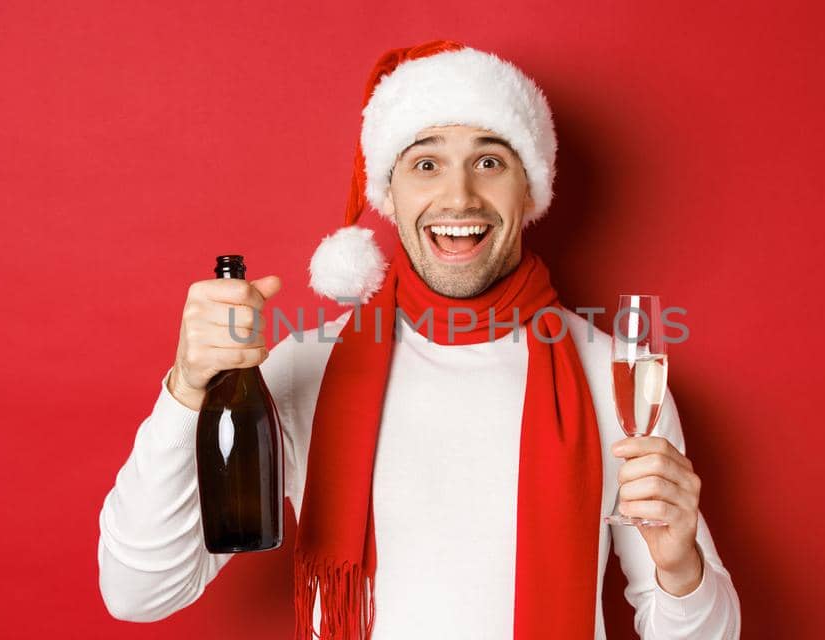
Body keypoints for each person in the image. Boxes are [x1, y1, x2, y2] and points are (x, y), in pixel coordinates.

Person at [97, 40, 742, 639]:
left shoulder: (617, 375)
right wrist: (187, 389)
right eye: (426, 163)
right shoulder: (303, 366)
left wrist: (681, 567)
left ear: (529, 189)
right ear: (390, 192)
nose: (457, 196)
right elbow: (139, 591)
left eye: (489, 161)